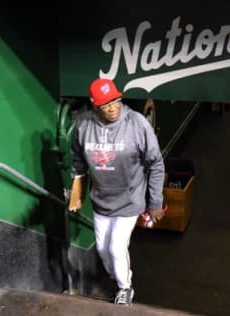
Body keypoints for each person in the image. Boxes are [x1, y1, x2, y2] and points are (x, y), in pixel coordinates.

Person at [67, 78, 166, 305]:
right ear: (94, 105)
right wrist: (77, 194)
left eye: (115, 101)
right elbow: (78, 163)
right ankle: (120, 273)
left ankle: (125, 288)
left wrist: (155, 202)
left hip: (130, 201)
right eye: (105, 105)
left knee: (115, 247)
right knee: (103, 250)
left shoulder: (136, 123)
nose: (112, 108)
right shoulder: (84, 126)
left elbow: (156, 164)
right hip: (102, 202)